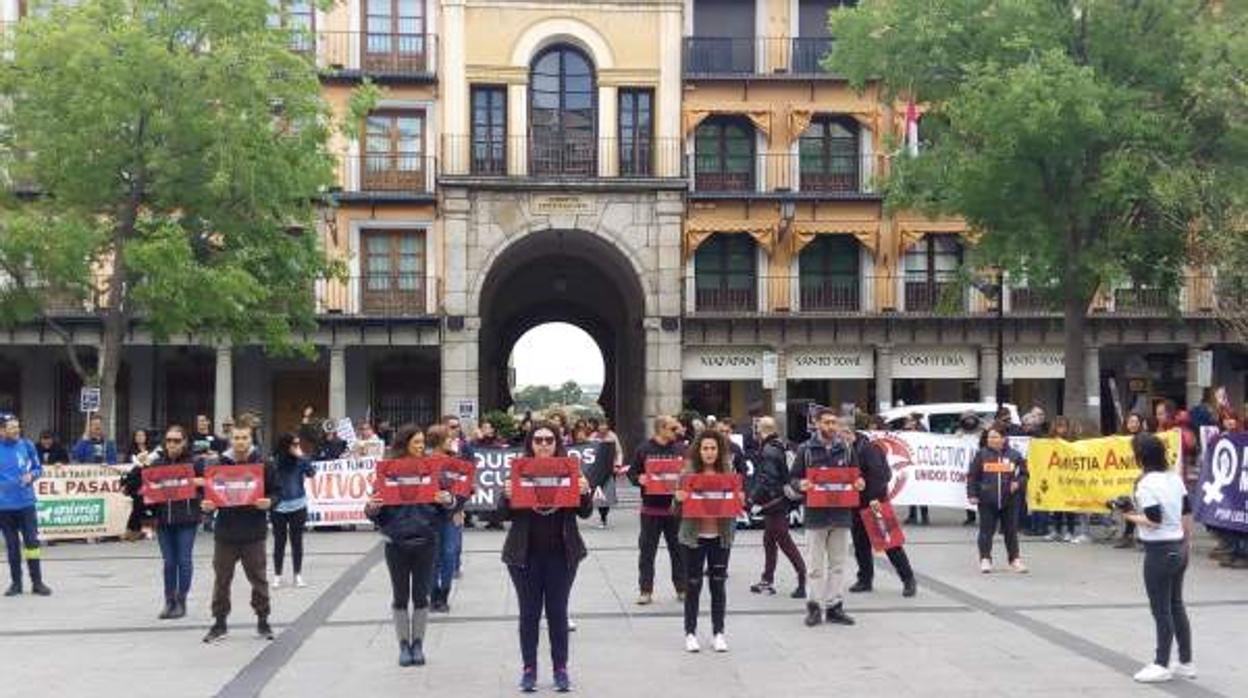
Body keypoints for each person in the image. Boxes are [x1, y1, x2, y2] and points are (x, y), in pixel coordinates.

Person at [498, 421, 593, 692]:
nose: (543, 444)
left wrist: (584, 492)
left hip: (562, 556)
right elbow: (501, 514)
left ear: (556, 443)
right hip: (523, 556)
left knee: (557, 613)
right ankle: (529, 670)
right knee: (528, 615)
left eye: (548, 440)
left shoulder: (569, 469)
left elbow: (584, 512)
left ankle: (560, 669)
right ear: (530, 443)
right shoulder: (519, 470)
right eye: (537, 440)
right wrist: (506, 496)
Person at [364, 425, 456, 667]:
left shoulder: (433, 470)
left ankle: (418, 644)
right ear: (404, 444)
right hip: (396, 543)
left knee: (421, 596)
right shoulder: (388, 471)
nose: (420, 447)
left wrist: (448, 501)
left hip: (426, 541)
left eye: (422, 442)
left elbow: (450, 502)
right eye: (416, 442)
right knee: (400, 596)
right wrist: (371, 507)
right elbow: (374, 510)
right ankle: (403, 645)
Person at [1125, 433, 1195, 683]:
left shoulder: (1145, 484)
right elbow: (1187, 512)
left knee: (1161, 610)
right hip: (1178, 547)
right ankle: (1186, 662)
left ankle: (1161, 663)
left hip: (1159, 551)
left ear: (1141, 457)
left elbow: (1154, 520)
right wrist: (1187, 543)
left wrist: (1128, 515)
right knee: (1176, 604)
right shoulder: (1174, 478)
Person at [202, 424, 280, 643]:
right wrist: (207, 506)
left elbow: (277, 491)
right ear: (230, 439)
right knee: (222, 580)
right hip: (225, 533)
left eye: (244, 437)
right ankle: (219, 622)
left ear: (250, 439)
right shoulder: (218, 465)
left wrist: (270, 502)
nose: (240, 442)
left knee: (258, 579)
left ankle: (263, 621)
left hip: (254, 532)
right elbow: (210, 494)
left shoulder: (264, 463)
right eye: (236, 438)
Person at [126, 425, 204, 618]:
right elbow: (134, 485)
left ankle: (181, 600)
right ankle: (169, 600)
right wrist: (140, 465)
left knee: (184, 560)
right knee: (169, 562)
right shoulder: (158, 464)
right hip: (164, 519)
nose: (172, 444)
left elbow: (210, 486)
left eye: (176, 440)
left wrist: (199, 486)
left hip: (187, 519)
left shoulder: (195, 463)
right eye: (169, 440)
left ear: (184, 442)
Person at [791, 408, 858, 627]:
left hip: (841, 515)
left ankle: (834, 606)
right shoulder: (806, 450)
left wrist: (860, 483)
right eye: (827, 422)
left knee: (838, 564)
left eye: (834, 423)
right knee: (815, 566)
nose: (831, 426)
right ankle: (814, 607)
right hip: (816, 515)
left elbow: (856, 476)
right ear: (817, 424)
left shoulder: (846, 449)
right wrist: (800, 485)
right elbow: (793, 478)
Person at [674, 429, 737, 653]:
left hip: (720, 538)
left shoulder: (729, 474)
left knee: (718, 585)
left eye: (713, 448)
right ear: (698, 451)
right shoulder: (686, 475)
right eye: (705, 448)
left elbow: (735, 507)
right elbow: (675, 510)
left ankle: (718, 633)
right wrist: (678, 499)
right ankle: (690, 633)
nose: (709, 452)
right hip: (693, 538)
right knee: (693, 586)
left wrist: (739, 499)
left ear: (719, 451)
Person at [846, 422, 917, 598]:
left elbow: (882, 475)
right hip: (855, 504)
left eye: (840, 434)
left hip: (874, 503)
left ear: (849, 432)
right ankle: (865, 579)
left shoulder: (869, 448)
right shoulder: (846, 450)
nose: (837, 438)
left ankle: (908, 579)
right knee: (860, 544)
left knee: (890, 544)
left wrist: (873, 498)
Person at [626, 415, 687, 605]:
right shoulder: (644, 449)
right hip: (651, 509)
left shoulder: (681, 449)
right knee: (647, 552)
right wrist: (639, 479)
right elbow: (631, 472)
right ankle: (646, 591)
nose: (677, 432)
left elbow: (691, 472)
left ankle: (682, 588)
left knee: (678, 551)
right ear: (661, 429)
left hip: (675, 510)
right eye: (673, 429)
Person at [747, 416, 806, 599]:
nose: (755, 433)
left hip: (775, 502)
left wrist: (753, 499)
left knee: (784, 541)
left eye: (756, 429)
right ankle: (767, 580)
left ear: (761, 429)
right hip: (779, 501)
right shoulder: (779, 445)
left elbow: (767, 479)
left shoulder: (769, 449)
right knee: (769, 540)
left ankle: (802, 579)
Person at [967, 424, 1029, 574]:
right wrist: (972, 494)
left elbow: (1024, 474)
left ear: (1003, 438)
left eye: (994, 437)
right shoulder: (981, 455)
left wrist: (1018, 483)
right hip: (987, 499)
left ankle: (1014, 559)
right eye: (989, 437)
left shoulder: (1015, 455)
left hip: (1010, 500)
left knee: (1010, 531)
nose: (991, 440)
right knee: (986, 531)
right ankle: (985, 559)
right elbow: (973, 476)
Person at [0, 414, 51, 597]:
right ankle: (16, 583)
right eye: (11, 427)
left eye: (17, 426)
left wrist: (32, 475)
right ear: (2, 430)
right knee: (12, 547)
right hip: (4, 508)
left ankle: (37, 583)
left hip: (26, 504)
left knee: (32, 543)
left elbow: (38, 468)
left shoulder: (27, 445)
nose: (16, 430)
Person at [428, 424, 467, 613]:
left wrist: (458, 506)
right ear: (440, 441)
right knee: (433, 556)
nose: (452, 441)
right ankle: (433, 594)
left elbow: (464, 489)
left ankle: (444, 594)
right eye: (449, 438)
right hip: (429, 517)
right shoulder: (424, 461)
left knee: (450, 554)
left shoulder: (457, 462)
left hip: (451, 514)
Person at [270, 432, 315, 589]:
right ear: (285, 445)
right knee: (279, 542)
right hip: (279, 507)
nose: (297, 447)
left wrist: (302, 455)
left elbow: (311, 473)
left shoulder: (300, 460)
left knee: (297, 541)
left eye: (298, 444)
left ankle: (298, 575)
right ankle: (277, 575)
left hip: (298, 505)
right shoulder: (275, 462)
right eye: (294, 444)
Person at [1116, 412, 1150, 548]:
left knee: (1142, 507)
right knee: (1127, 505)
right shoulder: (1121, 440)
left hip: (1141, 478)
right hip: (1125, 480)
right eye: (1130, 422)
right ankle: (1128, 535)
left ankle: (1143, 537)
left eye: (1135, 421)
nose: (1133, 424)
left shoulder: (1146, 438)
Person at [122, 428, 157, 541]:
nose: (140, 437)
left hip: (150, 481)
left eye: (142, 435)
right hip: (136, 482)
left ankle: (147, 529)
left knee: (149, 506)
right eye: (138, 435)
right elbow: (128, 466)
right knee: (138, 505)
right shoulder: (131, 451)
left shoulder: (152, 450)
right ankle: (132, 530)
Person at [901, 413, 932, 526]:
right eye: (907, 420)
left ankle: (925, 516)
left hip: (920, 464)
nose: (908, 422)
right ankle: (912, 515)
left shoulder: (922, 431)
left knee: (921, 491)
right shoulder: (905, 431)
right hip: (910, 465)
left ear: (915, 421)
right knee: (911, 490)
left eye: (910, 420)